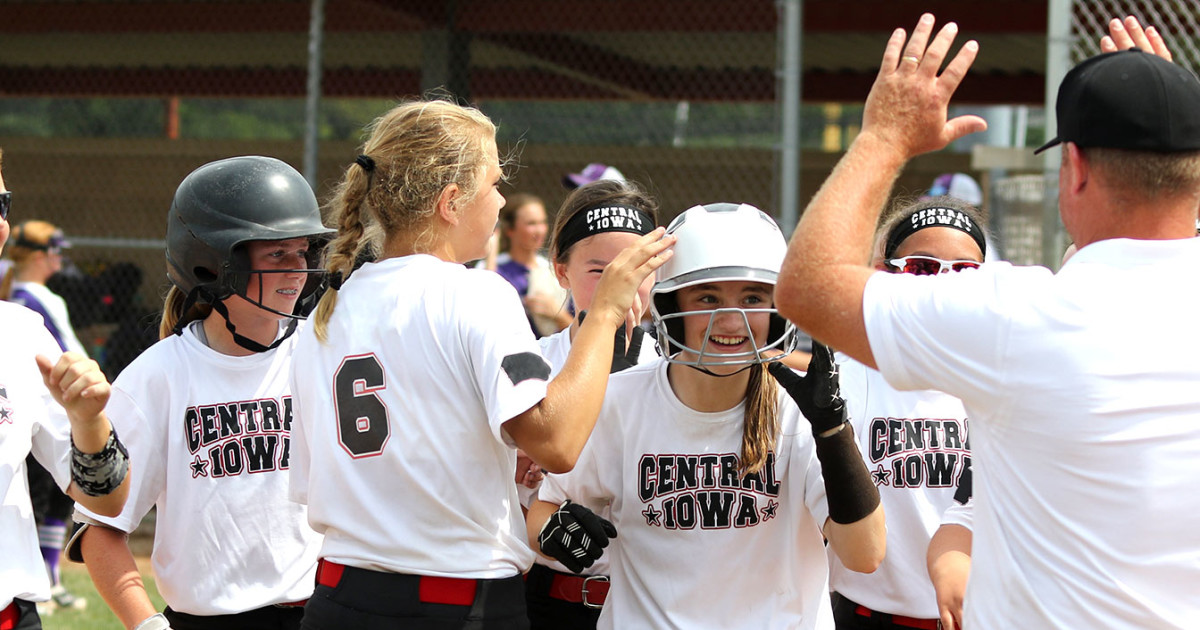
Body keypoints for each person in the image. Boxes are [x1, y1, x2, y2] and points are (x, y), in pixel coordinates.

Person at [775, 13, 1200, 628]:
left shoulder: (1020, 318)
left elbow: (808, 286)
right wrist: (1177, 115)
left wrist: (884, 138)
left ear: (1075, 169)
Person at [290, 98, 673, 629]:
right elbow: (557, 443)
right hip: (455, 601)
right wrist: (605, 310)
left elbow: (317, 477)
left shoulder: (326, 312)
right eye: (493, 182)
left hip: (338, 595)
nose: (501, 199)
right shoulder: (474, 293)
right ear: (451, 201)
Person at [527, 203, 885, 629]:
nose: (731, 320)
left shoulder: (800, 409)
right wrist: (553, 531)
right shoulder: (621, 399)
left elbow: (865, 554)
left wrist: (833, 432)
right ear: (668, 303)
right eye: (707, 297)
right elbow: (544, 507)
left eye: (752, 298)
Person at [71, 156, 330, 630]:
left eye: (304, 253)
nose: (298, 270)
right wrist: (145, 623)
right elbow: (99, 526)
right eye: (278, 255)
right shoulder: (160, 376)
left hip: (320, 612)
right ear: (214, 265)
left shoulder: (322, 355)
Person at [829, 195, 983, 630]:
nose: (943, 283)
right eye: (922, 267)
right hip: (865, 617)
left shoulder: (1002, 379)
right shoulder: (843, 378)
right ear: (883, 274)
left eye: (965, 270)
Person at [0, 147, 130, 630]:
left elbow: (104, 502)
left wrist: (87, 420)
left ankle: (52, 576)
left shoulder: (20, 332)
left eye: (2, 204)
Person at [523, 178, 661, 629]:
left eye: (634, 271)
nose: (620, 287)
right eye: (600, 272)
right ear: (561, 271)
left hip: (652, 603)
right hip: (551, 601)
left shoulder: (677, 371)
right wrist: (537, 516)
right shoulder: (527, 366)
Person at [1, 220, 91, 613]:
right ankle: (52, 575)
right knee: (43, 499)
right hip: (45, 402)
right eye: (54, 251)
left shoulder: (25, 318)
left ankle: (52, 575)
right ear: (38, 255)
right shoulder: (27, 299)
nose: (59, 259)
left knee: (56, 497)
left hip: (13, 604)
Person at [491, 193, 571, 337]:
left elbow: (576, 330)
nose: (540, 231)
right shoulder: (494, 268)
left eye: (543, 222)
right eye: (531, 224)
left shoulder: (553, 270)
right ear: (510, 229)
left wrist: (557, 315)